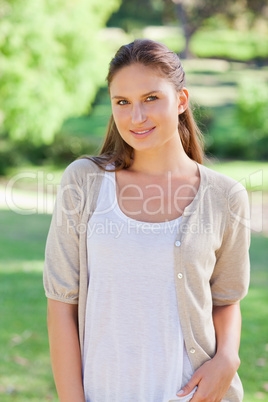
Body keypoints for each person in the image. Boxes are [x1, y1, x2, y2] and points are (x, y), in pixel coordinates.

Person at [43, 39, 251, 402]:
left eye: (151, 98)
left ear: (182, 100)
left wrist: (228, 359)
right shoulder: (84, 182)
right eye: (122, 102)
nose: (136, 117)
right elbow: (61, 304)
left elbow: (226, 298)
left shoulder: (225, 196)